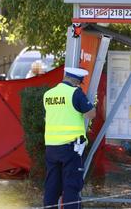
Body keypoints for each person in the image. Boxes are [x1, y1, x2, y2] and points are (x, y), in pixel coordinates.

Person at [43, 67, 96, 209]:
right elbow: (91, 114)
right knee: (71, 186)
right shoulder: (75, 92)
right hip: (70, 148)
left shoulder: (48, 94)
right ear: (76, 82)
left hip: (51, 147)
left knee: (52, 186)